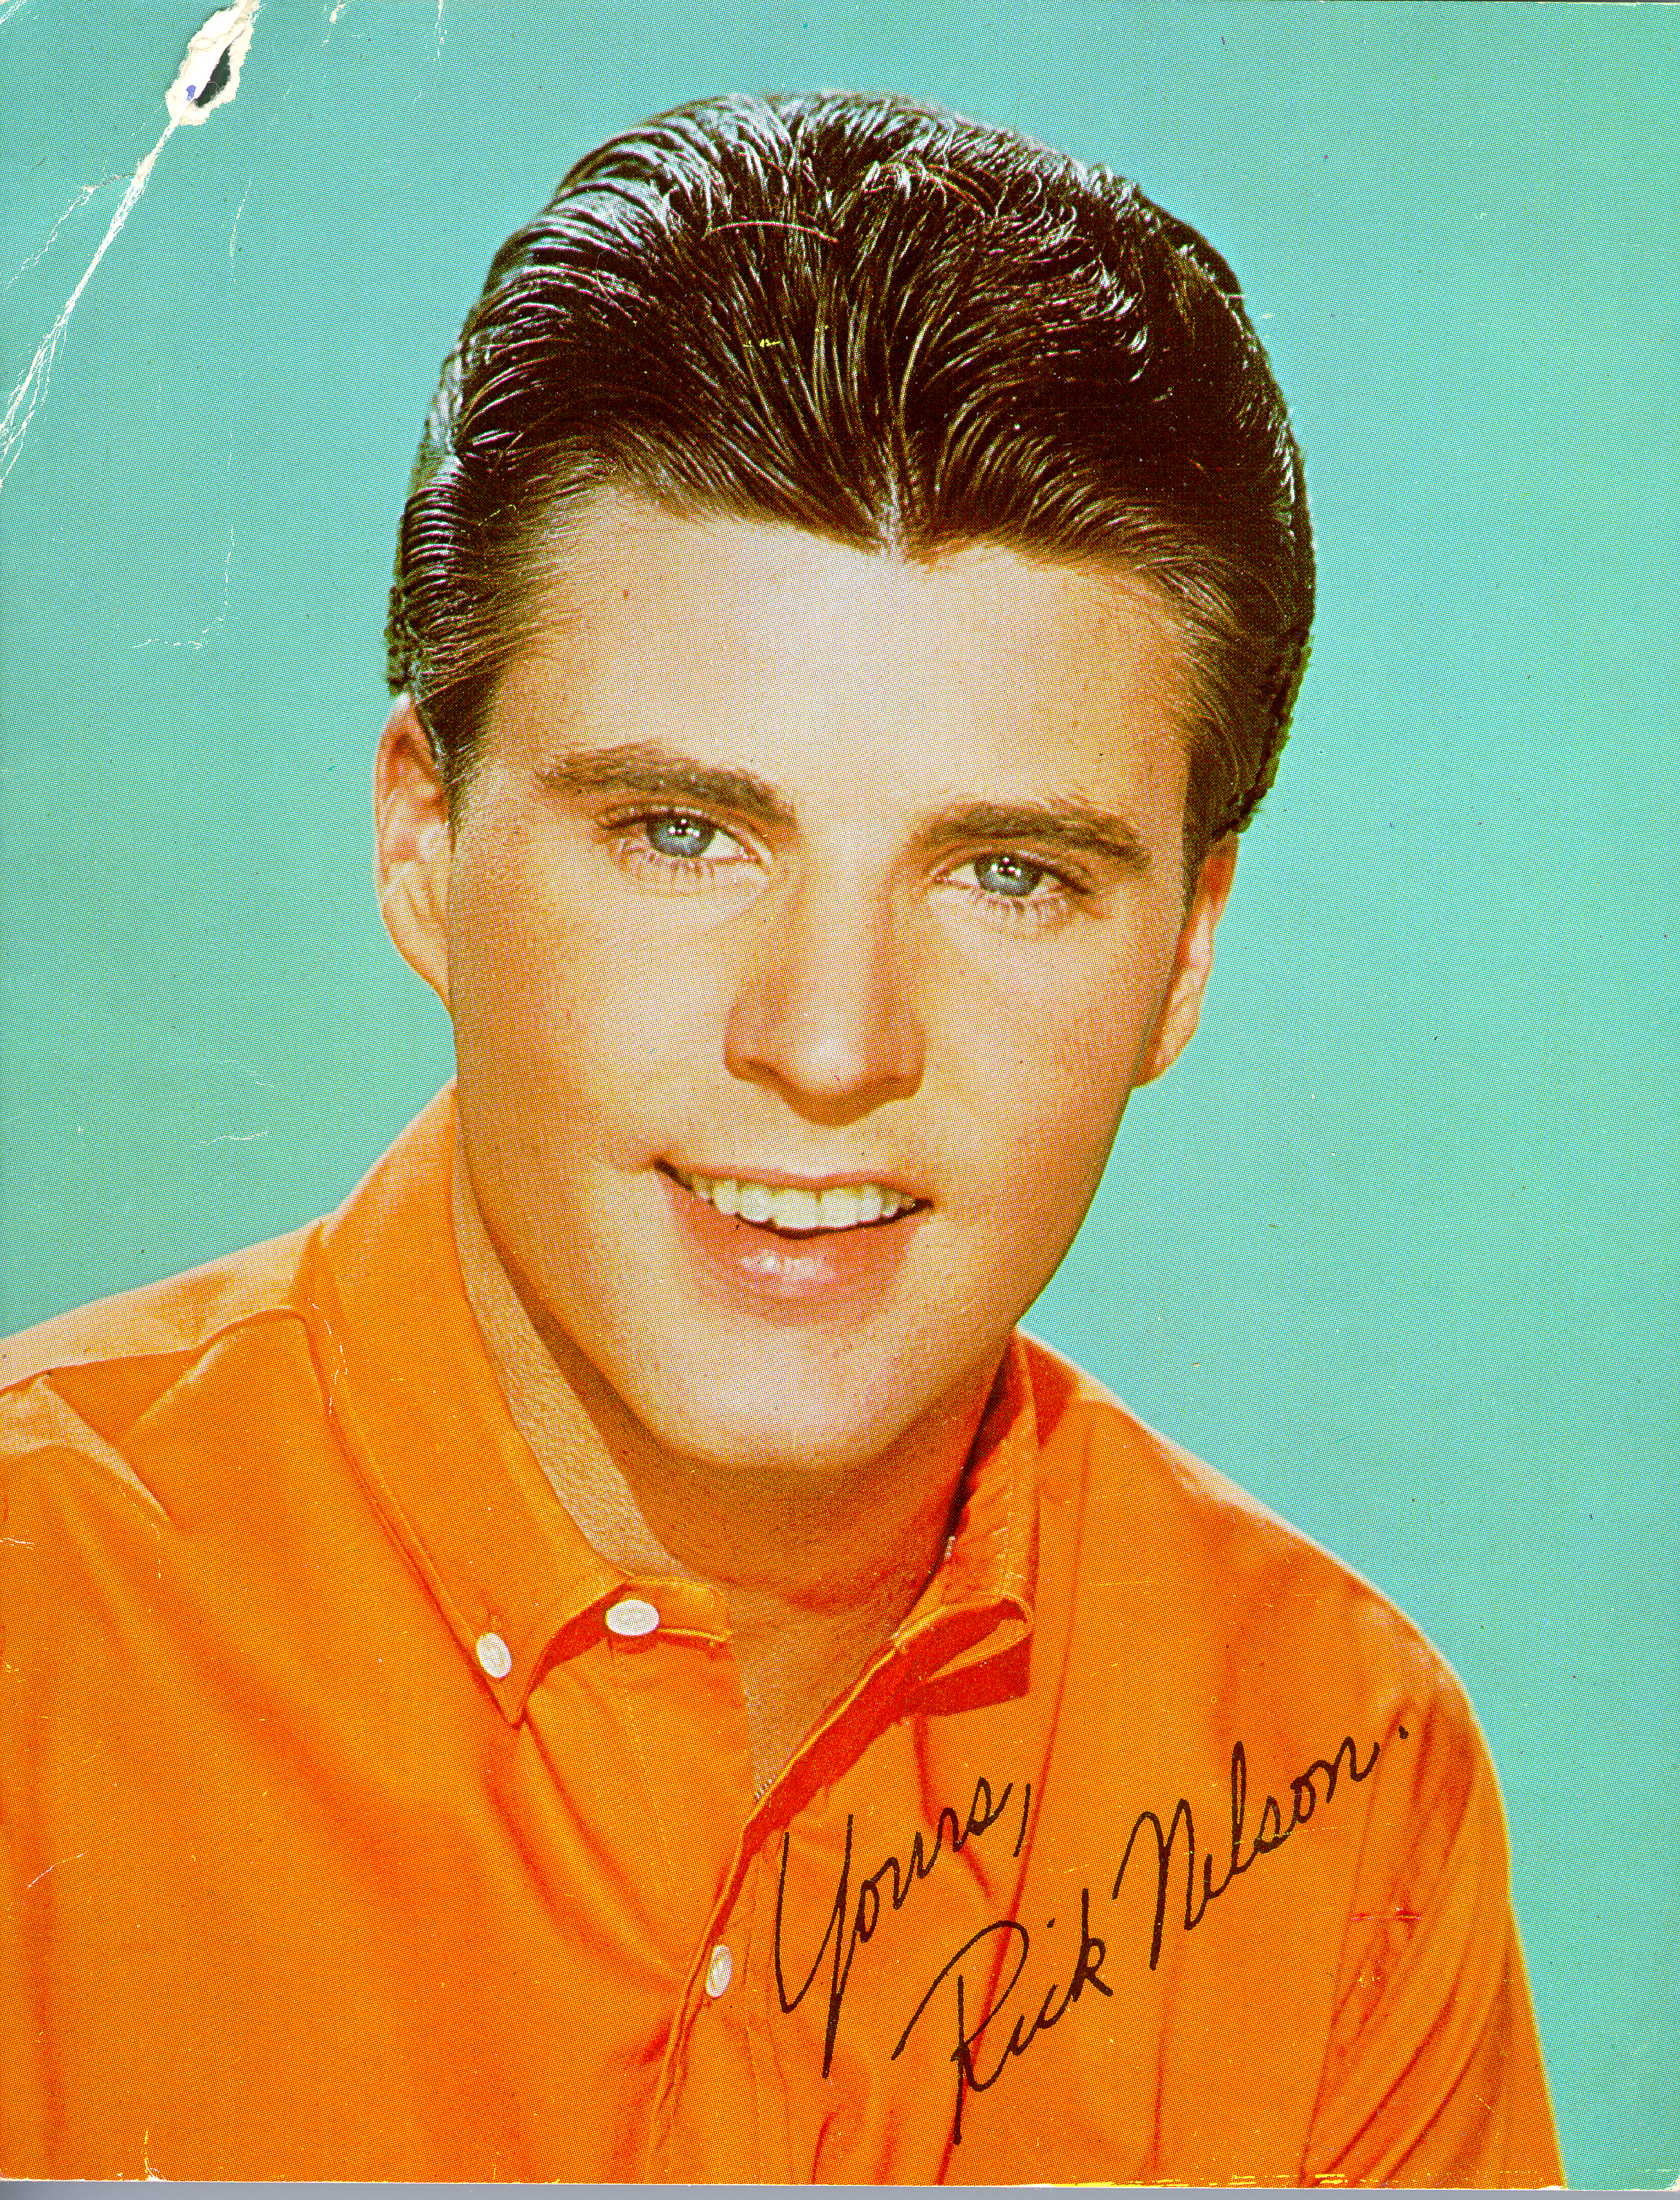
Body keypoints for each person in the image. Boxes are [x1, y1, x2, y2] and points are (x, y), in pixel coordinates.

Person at [0, 93, 1562, 2184]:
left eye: (1006, 873)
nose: (828, 1043)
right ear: (420, 843)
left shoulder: (1336, 1774)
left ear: (1185, 950)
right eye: (681, 830)